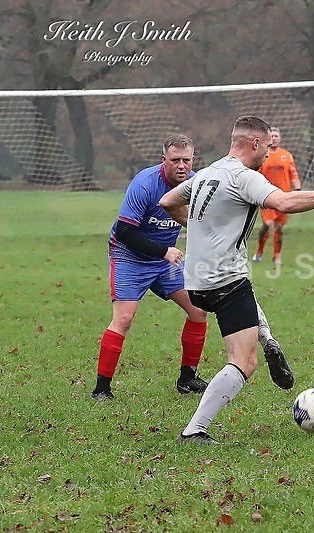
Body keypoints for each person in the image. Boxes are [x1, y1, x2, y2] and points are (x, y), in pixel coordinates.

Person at [159, 116, 314, 444]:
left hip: (195, 280)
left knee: (246, 294)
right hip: (223, 280)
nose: (269, 153)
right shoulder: (243, 177)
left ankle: (269, 338)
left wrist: (202, 229)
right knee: (243, 361)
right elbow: (284, 202)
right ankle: (194, 430)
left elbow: (168, 202)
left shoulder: (208, 172)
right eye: (267, 146)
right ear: (254, 143)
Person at [92, 134, 209, 400]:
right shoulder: (145, 184)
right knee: (124, 318)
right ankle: (101, 388)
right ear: (163, 161)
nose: (182, 166)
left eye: (186, 160)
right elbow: (123, 231)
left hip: (165, 262)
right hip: (129, 258)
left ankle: (187, 378)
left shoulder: (198, 182)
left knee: (198, 310)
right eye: (175, 160)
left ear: (193, 160)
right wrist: (163, 250)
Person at [251, 127, 301, 265]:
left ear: (280, 138)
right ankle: (259, 252)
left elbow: (293, 174)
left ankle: (277, 256)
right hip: (266, 196)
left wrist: (297, 190)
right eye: (271, 136)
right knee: (267, 224)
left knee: (279, 227)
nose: (274, 138)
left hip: (283, 197)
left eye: (276, 136)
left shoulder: (286, 155)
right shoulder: (263, 155)